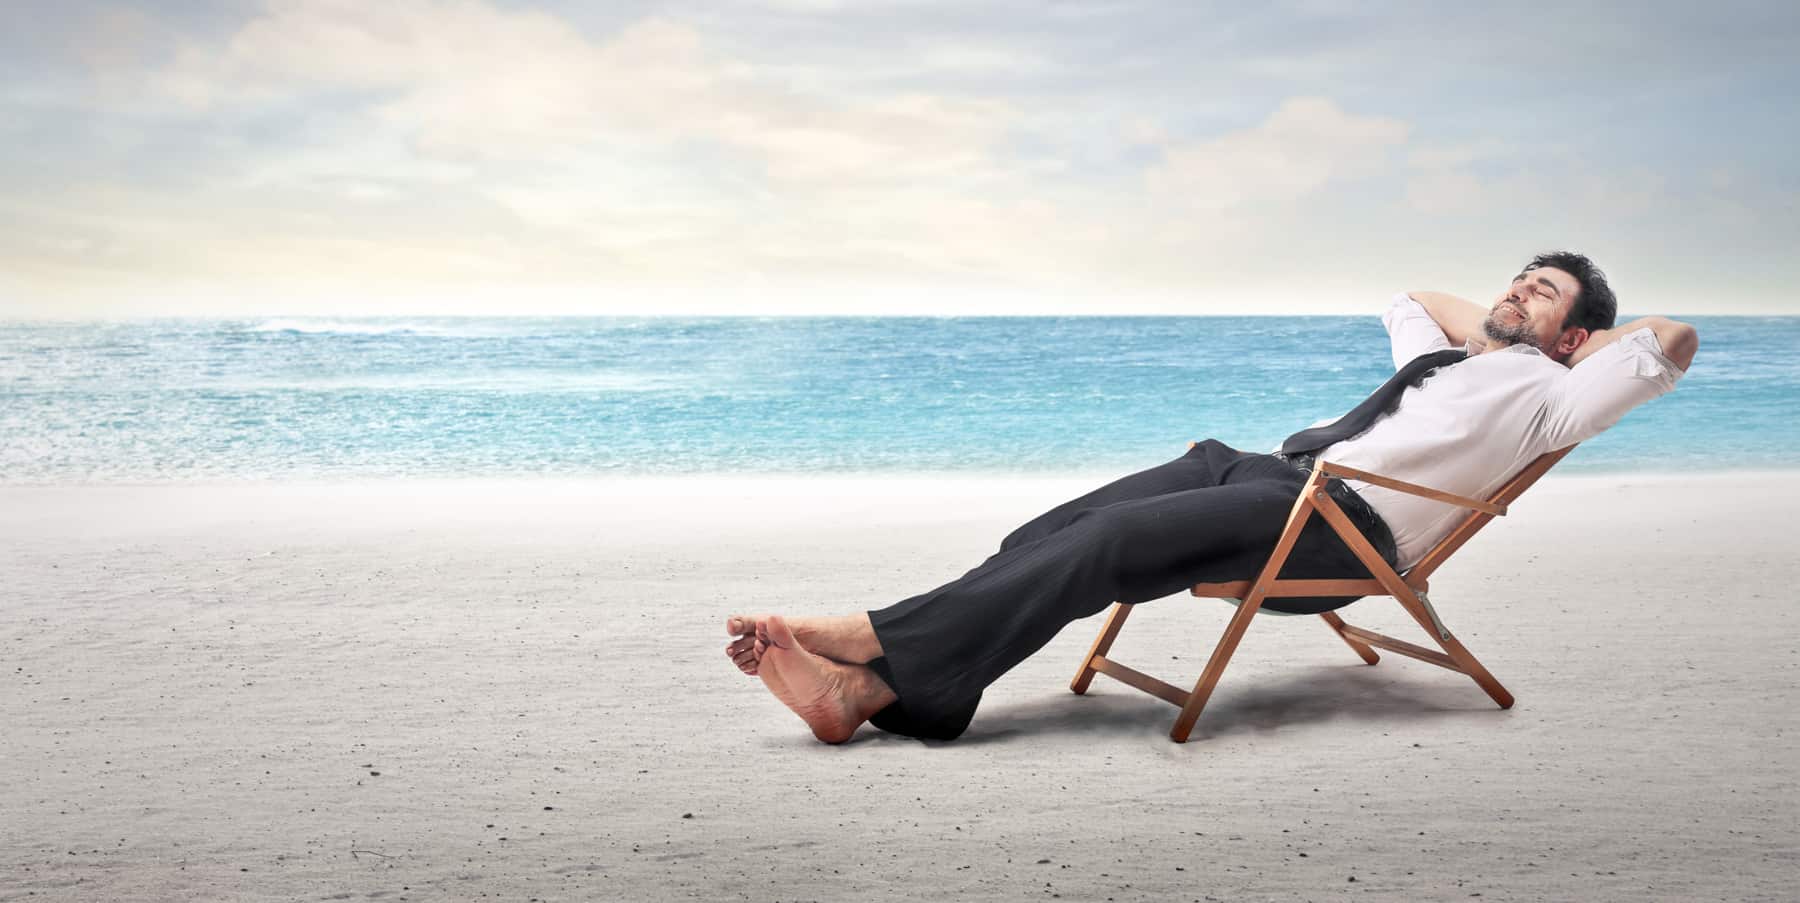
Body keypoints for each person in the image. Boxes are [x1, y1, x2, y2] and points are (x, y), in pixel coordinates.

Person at [724, 252, 1699, 743]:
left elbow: (1674, 337)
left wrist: (1562, 342)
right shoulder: (1453, 361)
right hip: (1268, 473)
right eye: (1518, 280)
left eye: (1543, 295)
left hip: (1339, 531)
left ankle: (867, 641)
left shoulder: (1556, 397)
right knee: (1049, 529)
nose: (1518, 294)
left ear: (1577, 341)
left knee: (1107, 545)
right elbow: (1413, 299)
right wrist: (1507, 321)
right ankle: (897, 686)